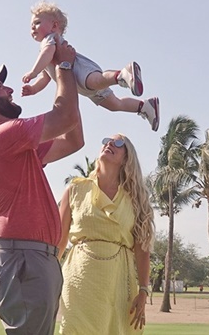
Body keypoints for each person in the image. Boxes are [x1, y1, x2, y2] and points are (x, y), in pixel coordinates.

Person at [0, 39, 81, 335]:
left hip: (36, 258)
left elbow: (74, 139)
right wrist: (63, 67)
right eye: (0, 88)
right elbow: (65, 117)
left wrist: (61, 74)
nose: (10, 89)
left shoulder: (17, 145)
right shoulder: (0, 136)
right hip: (24, 258)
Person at [57, 134, 155, 334]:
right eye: (106, 141)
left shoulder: (136, 198)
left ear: (127, 159)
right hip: (79, 280)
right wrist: (46, 277)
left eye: (119, 143)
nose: (109, 143)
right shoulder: (75, 189)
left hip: (119, 285)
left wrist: (144, 290)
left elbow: (142, 249)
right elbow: (58, 241)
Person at [22, 0, 161, 132]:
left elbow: (47, 53)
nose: (32, 27)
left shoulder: (50, 39)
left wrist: (33, 71)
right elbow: (45, 77)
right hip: (82, 86)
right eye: (31, 25)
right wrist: (34, 88)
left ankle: (122, 74)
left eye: (37, 22)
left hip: (80, 70)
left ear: (54, 26)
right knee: (114, 105)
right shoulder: (45, 53)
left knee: (97, 81)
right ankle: (145, 106)